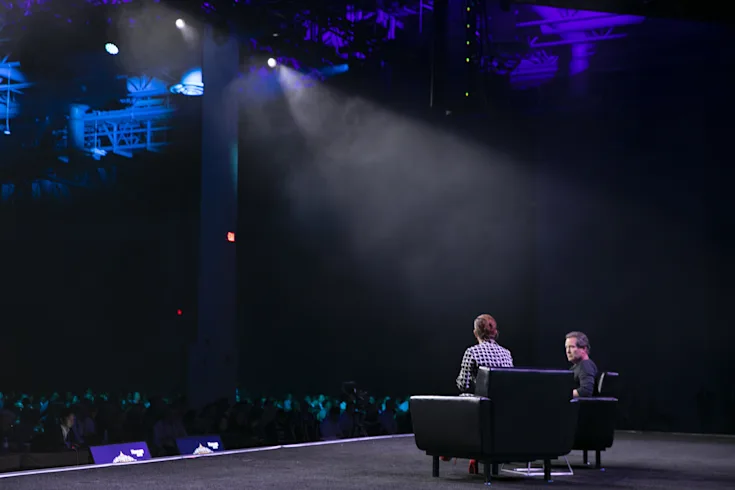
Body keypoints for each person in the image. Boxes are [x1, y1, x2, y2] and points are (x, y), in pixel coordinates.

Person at [456, 314, 514, 393]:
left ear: (475, 333)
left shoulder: (472, 352)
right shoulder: (507, 353)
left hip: (483, 398)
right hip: (504, 398)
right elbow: (510, 382)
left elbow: (463, 385)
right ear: (495, 332)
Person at [565, 331, 598, 397]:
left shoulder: (585, 365)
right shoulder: (577, 366)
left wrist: (562, 394)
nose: (568, 351)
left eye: (572, 347)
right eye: (566, 347)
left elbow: (586, 391)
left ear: (584, 349)